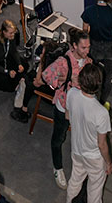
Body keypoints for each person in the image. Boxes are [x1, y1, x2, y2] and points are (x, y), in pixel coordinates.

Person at [42, 28, 93, 190]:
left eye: (88, 47)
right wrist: (60, 81)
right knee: (58, 138)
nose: (87, 51)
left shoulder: (88, 62)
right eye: (83, 47)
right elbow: (46, 76)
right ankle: (57, 168)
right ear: (74, 46)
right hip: (63, 108)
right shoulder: (63, 62)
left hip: (81, 108)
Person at [65, 63, 112, 203]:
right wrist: (109, 163)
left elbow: (67, 116)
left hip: (77, 149)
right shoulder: (101, 112)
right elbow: (102, 144)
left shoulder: (72, 94)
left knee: (75, 180)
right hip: (94, 157)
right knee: (95, 191)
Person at [81, 0, 112, 106]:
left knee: (93, 74)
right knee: (107, 78)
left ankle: (91, 97)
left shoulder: (88, 11)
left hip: (94, 48)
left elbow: (85, 31)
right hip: (111, 50)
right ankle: (102, 102)